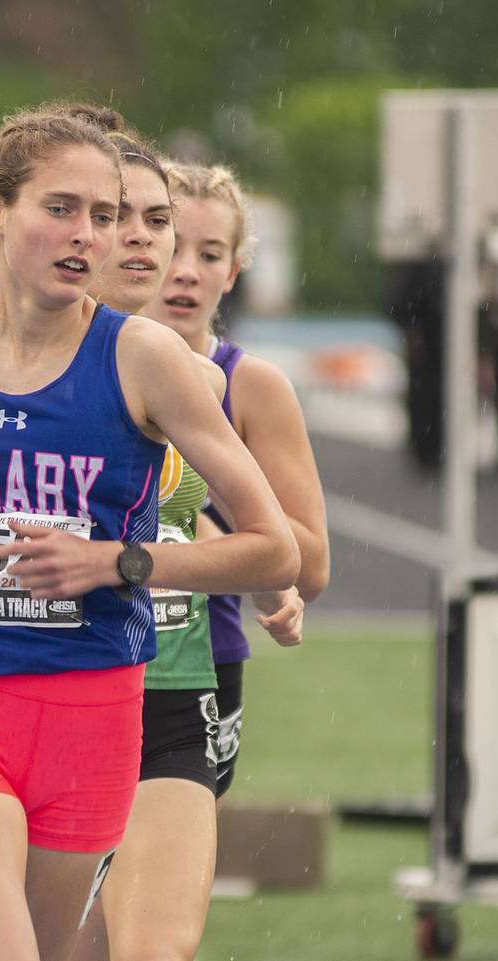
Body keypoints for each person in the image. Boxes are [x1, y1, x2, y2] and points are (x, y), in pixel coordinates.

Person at [0, 103, 299, 961]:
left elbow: (276, 548)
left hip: (95, 718)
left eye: (104, 216)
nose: (88, 236)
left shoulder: (147, 361)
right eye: (61, 209)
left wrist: (121, 560)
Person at [144, 162, 331, 806]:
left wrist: (216, 500)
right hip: (74, 643)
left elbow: (307, 565)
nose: (187, 269)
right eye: (172, 245)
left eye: (211, 253)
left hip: (199, 662)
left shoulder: (252, 386)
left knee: (154, 892)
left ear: (234, 272)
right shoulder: (80, 359)